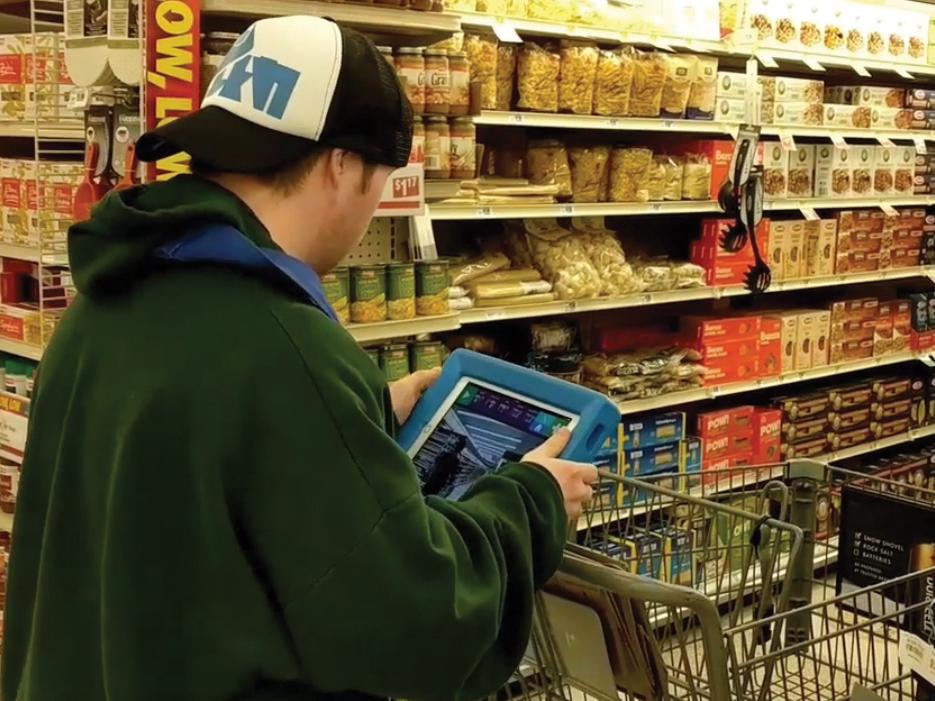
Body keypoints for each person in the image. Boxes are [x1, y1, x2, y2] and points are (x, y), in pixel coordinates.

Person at [2, 15, 598, 701]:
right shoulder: (282, 343)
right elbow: (409, 618)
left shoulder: (106, 301)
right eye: (380, 182)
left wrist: (362, 412)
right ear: (342, 165)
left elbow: (198, 479)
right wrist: (533, 500)